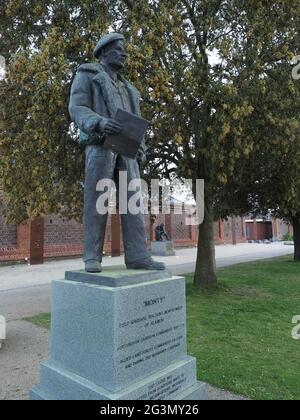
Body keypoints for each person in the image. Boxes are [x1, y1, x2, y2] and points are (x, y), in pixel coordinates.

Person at [69, 33, 165, 273]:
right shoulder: (88, 75)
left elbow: (135, 120)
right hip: (100, 145)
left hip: (127, 150)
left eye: (124, 51)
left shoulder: (128, 88)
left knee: (133, 202)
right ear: (103, 52)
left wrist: (141, 147)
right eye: (118, 50)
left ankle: (137, 256)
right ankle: (92, 256)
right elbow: (77, 107)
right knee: (97, 202)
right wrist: (99, 122)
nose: (123, 54)